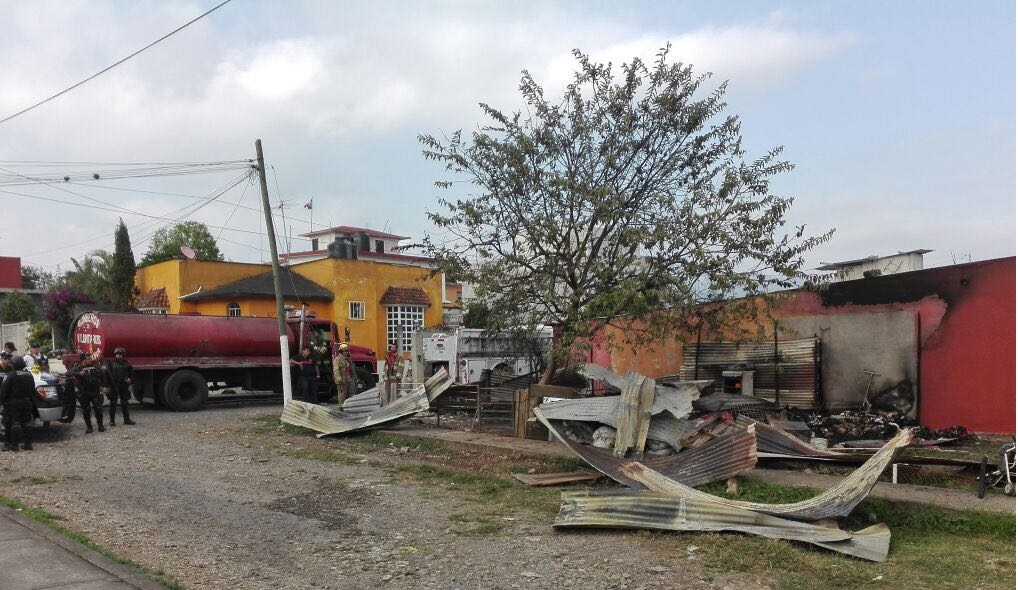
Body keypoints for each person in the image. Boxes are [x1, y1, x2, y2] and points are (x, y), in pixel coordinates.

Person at [0, 356, 36, 451]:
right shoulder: (29, 375)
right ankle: (28, 445)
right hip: (26, 402)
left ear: (13, 365)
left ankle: (13, 445)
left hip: (12, 403)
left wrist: (3, 402)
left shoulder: (10, 375)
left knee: (13, 423)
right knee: (27, 423)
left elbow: (4, 390)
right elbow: (33, 390)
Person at [70, 353, 105, 433]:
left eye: (90, 358)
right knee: (86, 410)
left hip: (95, 391)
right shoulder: (78, 368)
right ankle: (89, 427)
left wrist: (103, 386)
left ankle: (100, 426)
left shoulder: (95, 367)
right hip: (84, 392)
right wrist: (79, 373)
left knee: (98, 408)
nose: (90, 360)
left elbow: (103, 375)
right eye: (88, 359)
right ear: (83, 360)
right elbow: (68, 373)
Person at [106, 347, 135, 425]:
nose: (118, 356)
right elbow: (107, 376)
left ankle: (127, 420)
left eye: (120, 354)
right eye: (117, 354)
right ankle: (112, 421)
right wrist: (107, 386)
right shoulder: (111, 363)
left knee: (125, 403)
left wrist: (130, 380)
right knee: (113, 403)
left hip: (123, 385)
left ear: (123, 355)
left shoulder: (127, 364)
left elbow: (132, 375)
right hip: (114, 385)